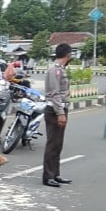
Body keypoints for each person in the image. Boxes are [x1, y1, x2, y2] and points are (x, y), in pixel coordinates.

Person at [42, 43, 73, 188]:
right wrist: (60, 113)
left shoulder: (61, 69)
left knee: (58, 144)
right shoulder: (55, 70)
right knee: (52, 144)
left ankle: (56, 174)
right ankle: (48, 176)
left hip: (60, 108)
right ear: (68, 55)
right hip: (54, 110)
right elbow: (54, 93)